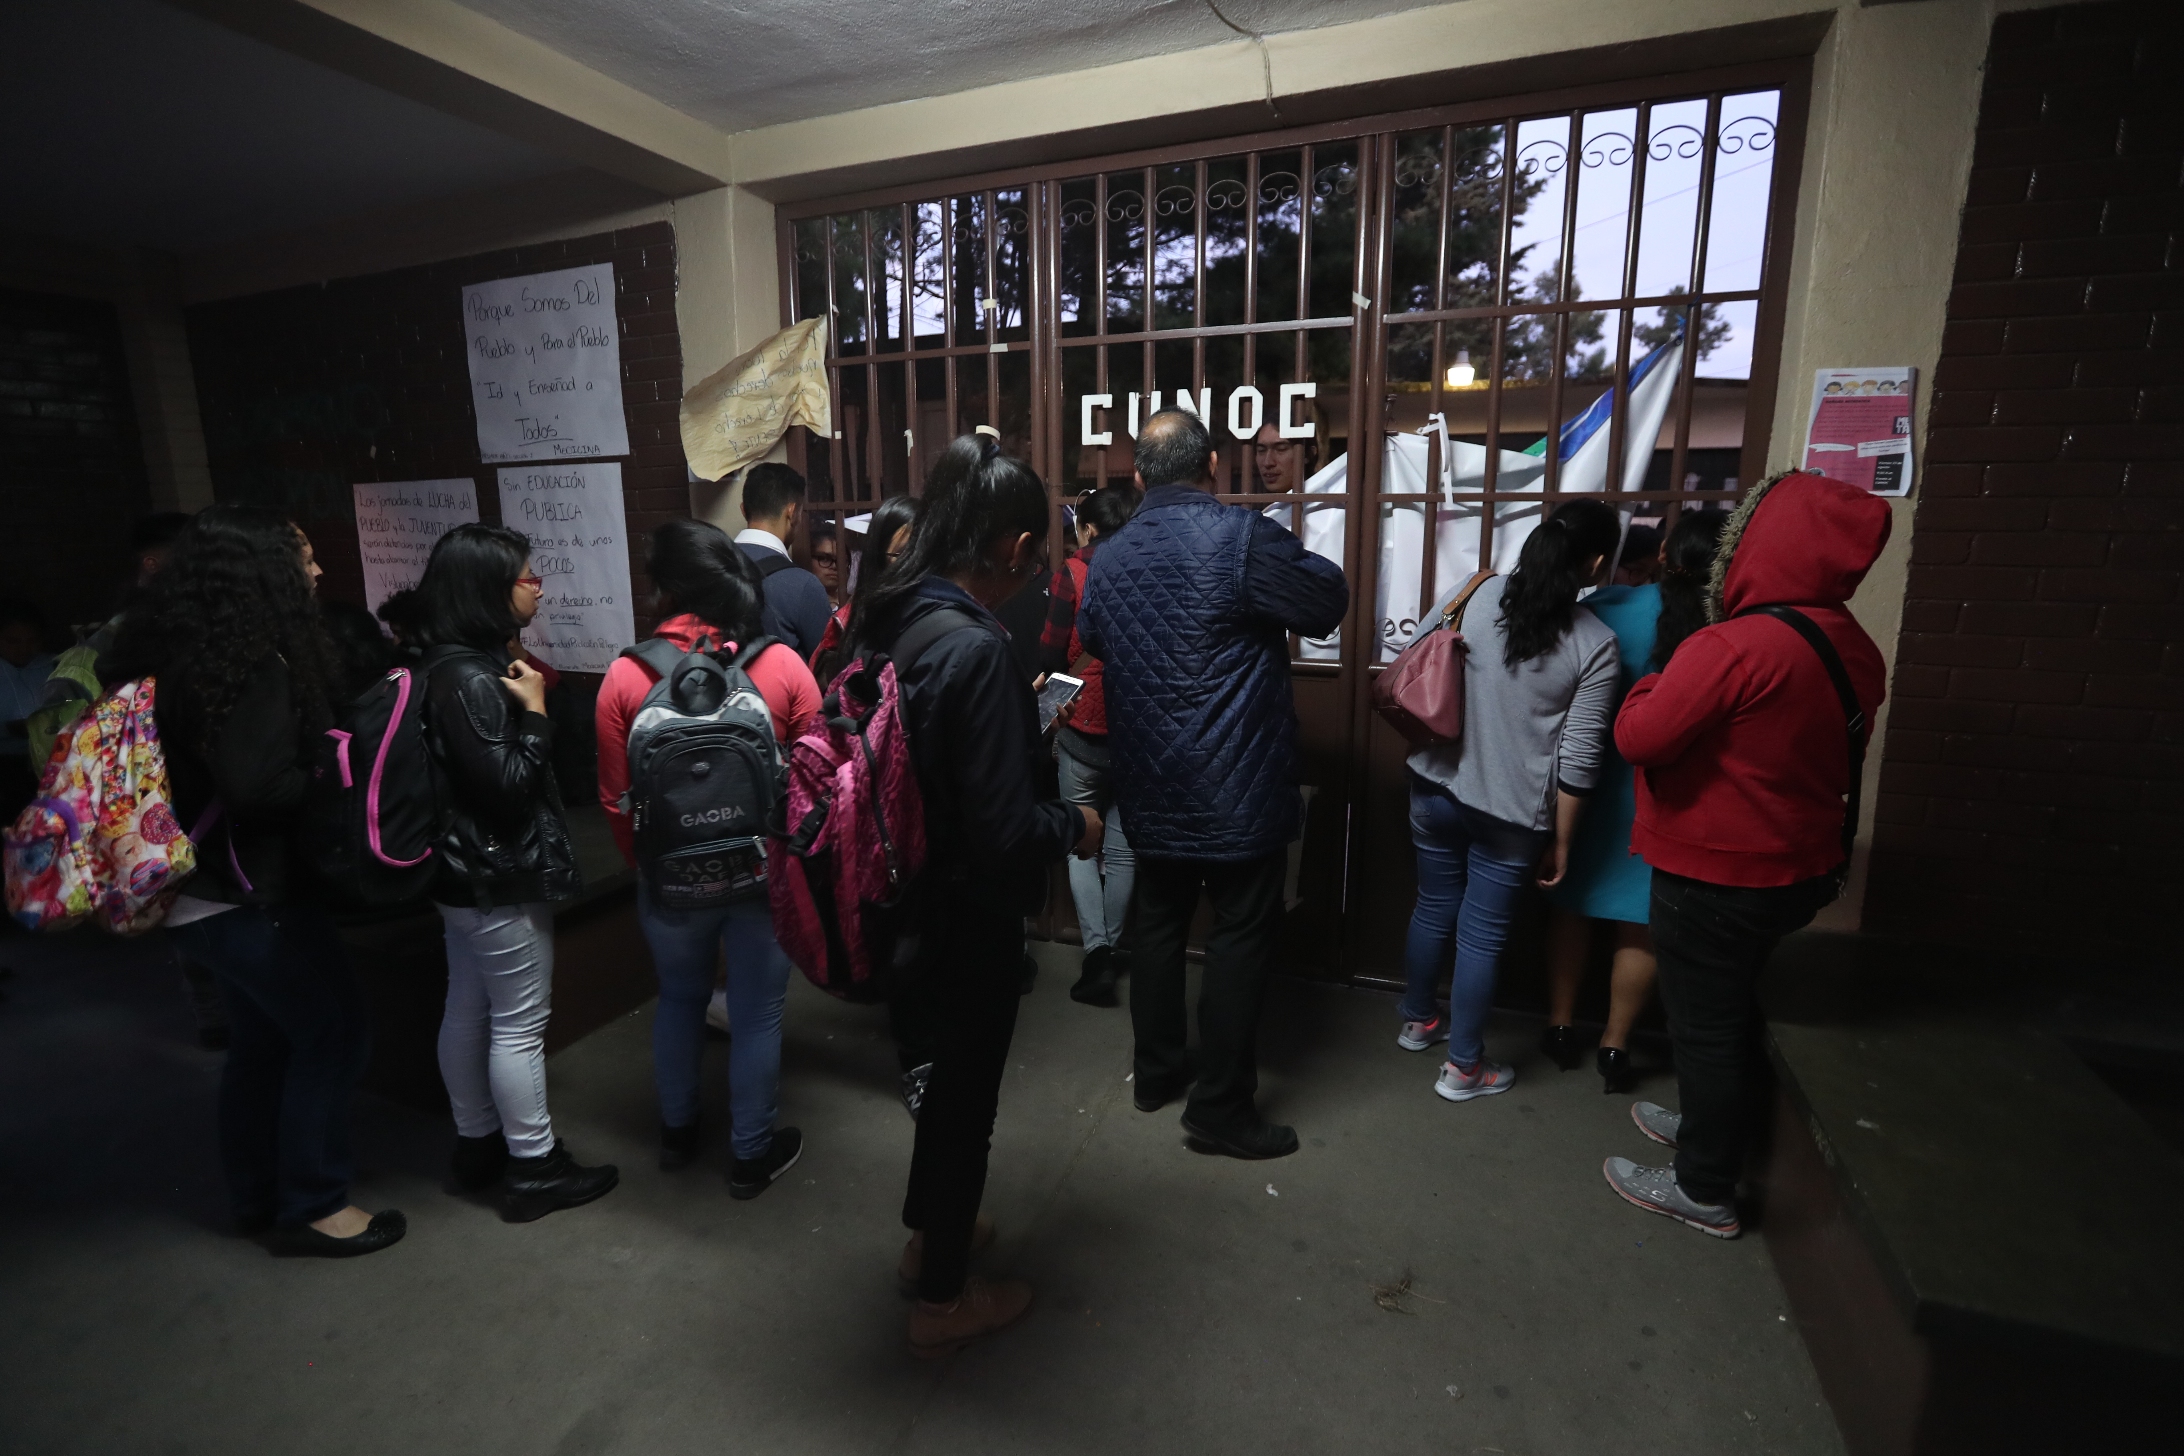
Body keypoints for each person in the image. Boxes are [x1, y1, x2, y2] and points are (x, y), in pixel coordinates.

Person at [847, 433, 1097, 1356]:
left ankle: (928, 1242)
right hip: (963, 913)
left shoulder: (892, 614)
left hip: (897, 893)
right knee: (963, 1102)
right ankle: (942, 1302)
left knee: (939, 1084)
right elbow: (1001, 830)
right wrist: (1075, 828)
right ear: (1019, 550)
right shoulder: (978, 647)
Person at [1604, 473, 1889, 1239]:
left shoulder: (1732, 645)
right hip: (1795, 869)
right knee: (1725, 1011)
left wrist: (1650, 683)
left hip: (1713, 873)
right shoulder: (1851, 645)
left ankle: (1702, 1186)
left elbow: (1640, 737)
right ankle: (1705, 1126)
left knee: (1706, 1027)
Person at [111, 506, 401, 1256]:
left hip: (197, 896)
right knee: (332, 1035)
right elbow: (255, 787)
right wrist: (329, 769)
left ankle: (258, 1192)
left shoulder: (182, 652)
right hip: (249, 896)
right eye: (302, 558)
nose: (316, 572)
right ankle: (314, 1203)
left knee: (263, 1046)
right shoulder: (250, 664)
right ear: (262, 573)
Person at [1080, 409, 1348, 1161]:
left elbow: (1098, 637)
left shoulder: (1111, 553)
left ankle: (1157, 1074)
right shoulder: (1243, 537)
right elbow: (1327, 603)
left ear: (1138, 478)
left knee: (1159, 926)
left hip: (1150, 777)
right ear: (1215, 467)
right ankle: (1222, 1108)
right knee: (1239, 934)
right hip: (1238, 782)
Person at [596, 520, 821, 1194]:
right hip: (761, 878)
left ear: (661, 588)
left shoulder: (624, 677)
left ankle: (677, 1133)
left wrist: (653, 867)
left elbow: (615, 800)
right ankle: (751, 1156)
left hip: (669, 883)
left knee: (680, 1000)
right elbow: (813, 778)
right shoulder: (780, 665)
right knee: (757, 1014)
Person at [411, 523, 616, 1223]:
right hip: (496, 874)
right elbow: (505, 787)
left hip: (462, 875)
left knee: (468, 1006)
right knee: (519, 1023)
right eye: (530, 577)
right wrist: (535, 715)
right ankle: (534, 1166)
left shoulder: (441, 664)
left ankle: (477, 1146)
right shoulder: (470, 678)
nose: (539, 587)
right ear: (490, 590)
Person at [1394, 499, 1622, 1107]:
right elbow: (1577, 760)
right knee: (1482, 938)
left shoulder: (1475, 591)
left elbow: (1413, 657)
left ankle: (1417, 1020)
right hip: (1512, 815)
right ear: (1597, 563)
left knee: (1432, 904)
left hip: (1434, 785)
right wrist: (1563, 841)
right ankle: (1463, 1069)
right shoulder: (1595, 643)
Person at [1539, 509, 1727, 1093]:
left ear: (1664, 556)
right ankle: (1616, 1046)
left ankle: (1560, 1026)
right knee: (1638, 924)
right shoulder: (1723, 632)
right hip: (1667, 796)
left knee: (1570, 903)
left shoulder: (1610, 607)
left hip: (1589, 788)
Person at [1043, 484, 1142, 1007]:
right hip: (1133, 729)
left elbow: (1050, 649)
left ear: (1085, 528)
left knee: (1082, 842)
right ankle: (1111, 947)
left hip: (1081, 726)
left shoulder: (1072, 572)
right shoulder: (1144, 570)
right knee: (1124, 846)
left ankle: (1096, 954)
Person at [811, 494, 918, 687]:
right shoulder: (845, 623)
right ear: (877, 558)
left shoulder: (949, 616)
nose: (916, 564)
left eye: (923, 554)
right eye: (902, 554)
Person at [735, 462, 832, 659]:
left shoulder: (711, 567)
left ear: (744, 510)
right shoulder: (802, 585)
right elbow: (828, 668)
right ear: (792, 512)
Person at [0, 599, 56, 822]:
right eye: (13, 641)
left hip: (46, 766)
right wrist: (9, 730)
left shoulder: (54, 666)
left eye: (31, 641)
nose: (24, 648)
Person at [808, 522, 845, 606]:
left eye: (841, 560)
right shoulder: (801, 603)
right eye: (825, 559)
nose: (834, 566)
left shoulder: (855, 604)